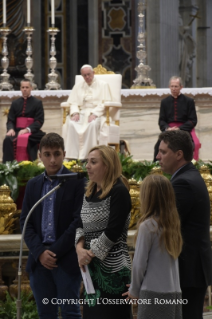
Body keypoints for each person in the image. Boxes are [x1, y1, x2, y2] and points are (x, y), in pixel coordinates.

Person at [20, 133, 85, 319]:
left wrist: (53, 252)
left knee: (70, 312)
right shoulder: (33, 185)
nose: (53, 160)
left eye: (57, 154)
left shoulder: (76, 182)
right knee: (46, 313)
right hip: (39, 260)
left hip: (65, 259)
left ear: (64, 154)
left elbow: (78, 221)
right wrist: (40, 252)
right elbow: (26, 221)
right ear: (39, 155)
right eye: (47, 154)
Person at [156, 130, 212, 319]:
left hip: (187, 271)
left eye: (163, 152)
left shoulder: (183, 183)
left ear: (179, 154)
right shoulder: (186, 177)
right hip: (190, 270)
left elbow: (165, 225)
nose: (157, 157)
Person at [75, 145, 132, 319]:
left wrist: (89, 254)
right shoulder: (89, 191)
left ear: (107, 166)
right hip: (92, 270)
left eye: (93, 162)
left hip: (113, 270)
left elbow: (113, 231)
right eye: (87, 162)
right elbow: (79, 223)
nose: (88, 166)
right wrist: (79, 249)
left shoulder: (119, 191)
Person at [123, 174, 183, 319]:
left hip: (152, 292)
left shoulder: (148, 226)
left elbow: (139, 264)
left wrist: (134, 290)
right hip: (174, 292)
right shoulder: (172, 225)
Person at [62, 64, 112, 160]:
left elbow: (105, 103)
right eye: (84, 75)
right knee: (71, 123)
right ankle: (72, 156)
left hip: (96, 113)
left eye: (88, 74)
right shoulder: (78, 86)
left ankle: (89, 156)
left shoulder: (103, 85)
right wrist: (75, 112)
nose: (87, 77)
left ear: (93, 73)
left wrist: (94, 114)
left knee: (92, 125)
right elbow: (73, 102)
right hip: (81, 113)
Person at [153, 76, 200, 161]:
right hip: (169, 131)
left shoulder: (189, 101)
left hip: (184, 130)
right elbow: (161, 120)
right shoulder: (164, 102)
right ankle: (158, 169)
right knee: (158, 146)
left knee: (192, 145)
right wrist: (167, 128)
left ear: (181, 87)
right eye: (172, 86)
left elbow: (193, 120)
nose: (174, 88)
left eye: (176, 86)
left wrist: (179, 128)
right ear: (169, 87)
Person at [3, 79, 45, 163]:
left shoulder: (37, 103)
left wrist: (27, 129)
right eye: (23, 87)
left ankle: (29, 165)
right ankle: (9, 166)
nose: (25, 89)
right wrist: (11, 129)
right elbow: (10, 120)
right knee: (7, 139)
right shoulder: (15, 103)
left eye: (27, 87)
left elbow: (39, 121)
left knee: (28, 139)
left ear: (31, 88)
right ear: (20, 88)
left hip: (32, 131)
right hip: (17, 130)